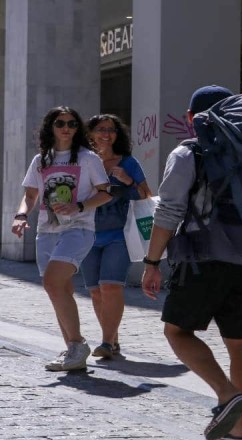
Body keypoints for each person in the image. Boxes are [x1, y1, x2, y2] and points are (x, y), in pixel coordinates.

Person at [141, 85, 242, 440]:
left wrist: (152, 261)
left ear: (192, 119)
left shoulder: (189, 152)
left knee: (177, 332)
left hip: (203, 258)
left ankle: (227, 395)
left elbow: (169, 211)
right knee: (241, 345)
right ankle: (239, 431)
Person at [12, 106, 111, 371]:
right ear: (51, 127)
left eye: (71, 123)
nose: (66, 128)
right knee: (59, 290)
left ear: (78, 128)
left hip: (78, 229)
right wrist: (21, 216)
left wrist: (79, 207)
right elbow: (31, 195)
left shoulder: (88, 158)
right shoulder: (41, 160)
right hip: (46, 231)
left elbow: (105, 193)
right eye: (60, 123)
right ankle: (72, 352)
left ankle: (78, 344)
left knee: (53, 282)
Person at [81, 114, 151, 359]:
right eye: (100, 129)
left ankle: (107, 343)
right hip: (86, 234)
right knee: (95, 291)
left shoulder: (128, 163)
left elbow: (146, 195)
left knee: (110, 286)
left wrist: (127, 179)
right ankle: (113, 338)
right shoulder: (81, 161)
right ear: (89, 134)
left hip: (118, 235)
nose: (106, 134)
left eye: (111, 129)